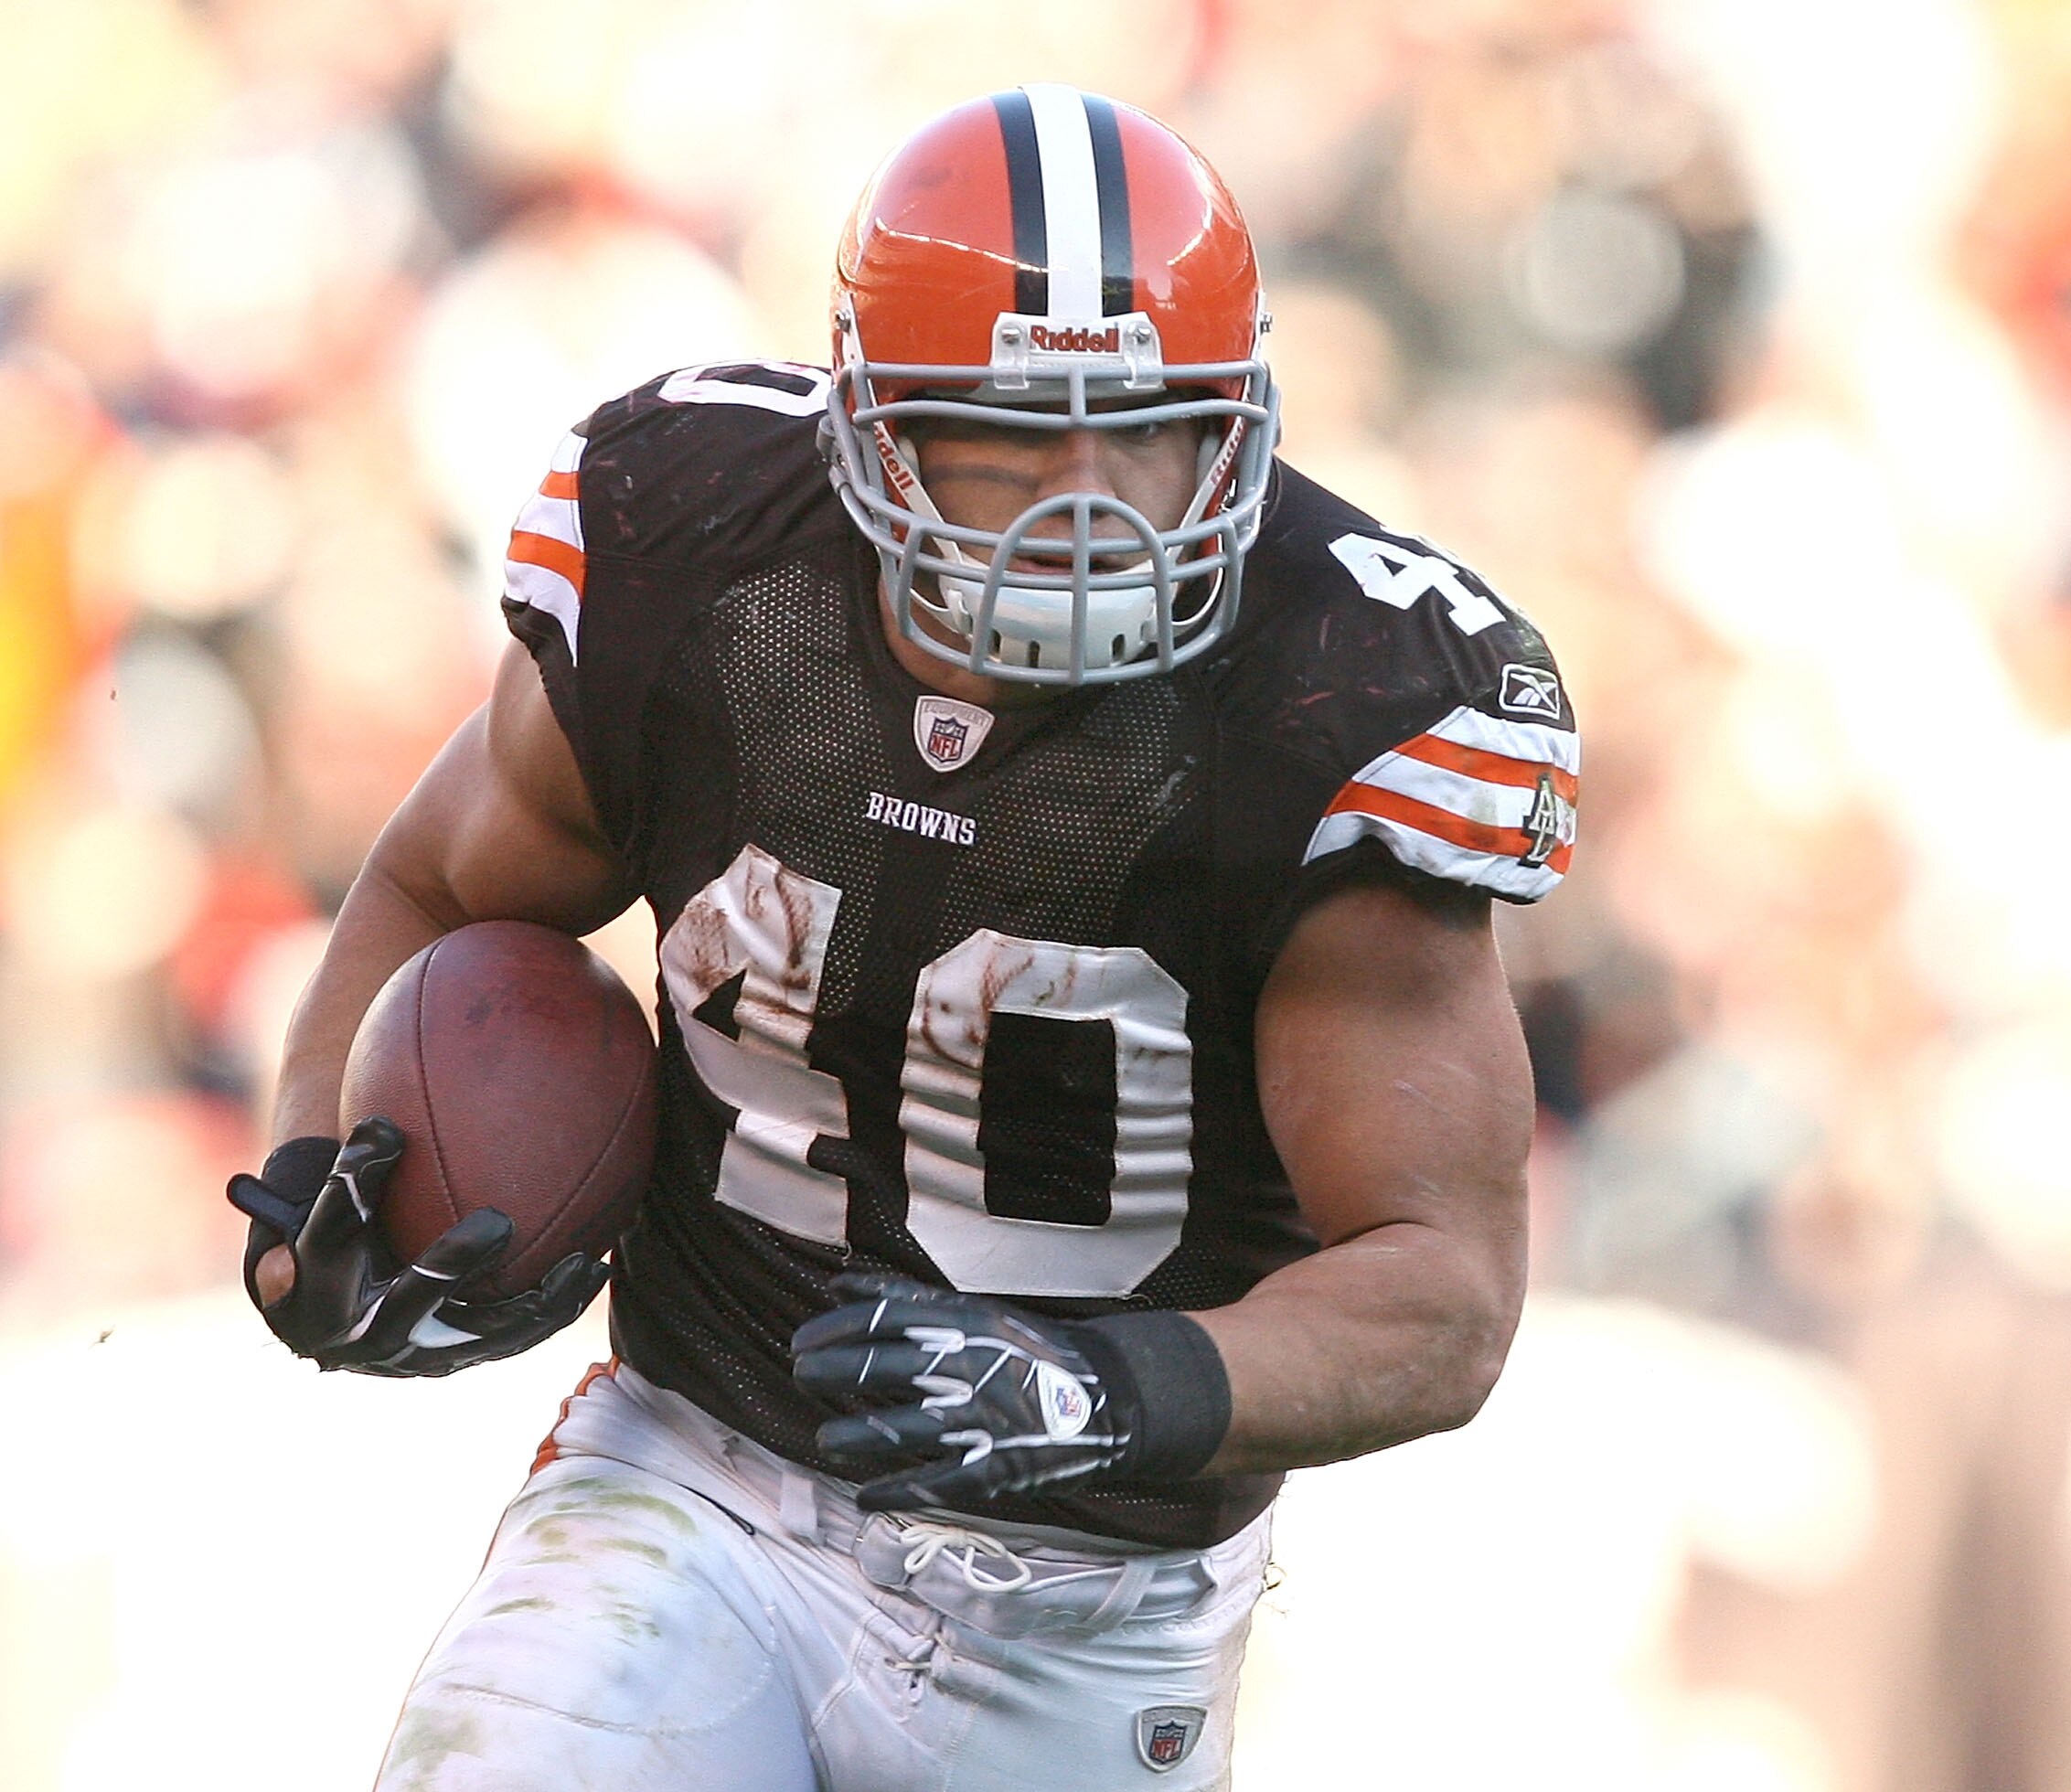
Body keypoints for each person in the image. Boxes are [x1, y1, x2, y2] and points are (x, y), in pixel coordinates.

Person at [224, 85, 1576, 1791]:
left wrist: (1097, 1388)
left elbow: (1442, 1294)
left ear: (1239, 428)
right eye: (1009, 430)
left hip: (1095, 1594)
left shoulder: (1341, 692)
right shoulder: (697, 551)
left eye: (1147, 429)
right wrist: (320, 1188)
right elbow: (436, 888)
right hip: (696, 1474)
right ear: (867, 423)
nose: (1088, 503)